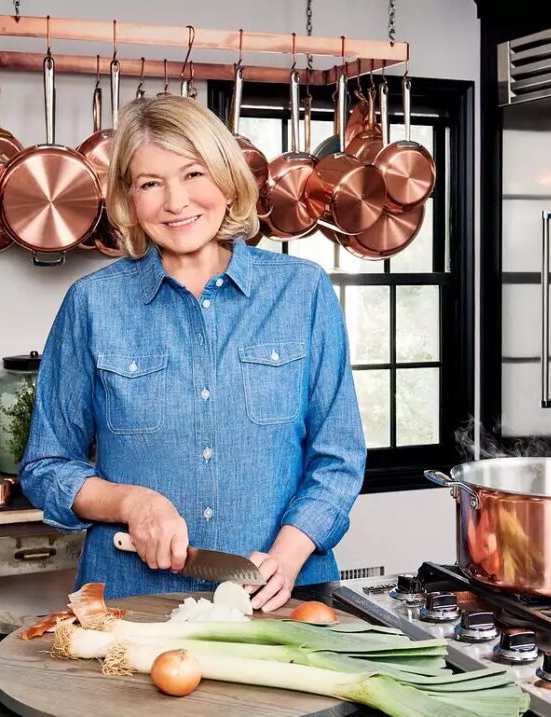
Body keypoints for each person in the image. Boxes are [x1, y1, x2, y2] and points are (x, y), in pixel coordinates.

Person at [20, 94, 366, 613]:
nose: (176, 202)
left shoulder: (303, 293)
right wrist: (132, 502)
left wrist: (289, 554)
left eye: (193, 174)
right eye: (150, 184)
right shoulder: (92, 305)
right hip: (134, 604)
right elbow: (45, 466)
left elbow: (338, 459)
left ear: (228, 180)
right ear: (129, 200)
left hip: (285, 602)